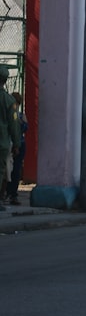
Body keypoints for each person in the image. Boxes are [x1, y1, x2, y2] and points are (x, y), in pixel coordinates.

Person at [0, 67, 19, 211]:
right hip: (2, 142)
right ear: (5, 80)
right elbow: (14, 125)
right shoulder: (9, 100)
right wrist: (17, 144)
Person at [5, 91, 27, 205]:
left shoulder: (19, 115)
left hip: (16, 144)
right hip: (13, 144)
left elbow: (23, 128)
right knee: (10, 170)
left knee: (14, 170)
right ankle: (10, 193)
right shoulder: (15, 115)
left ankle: (12, 193)